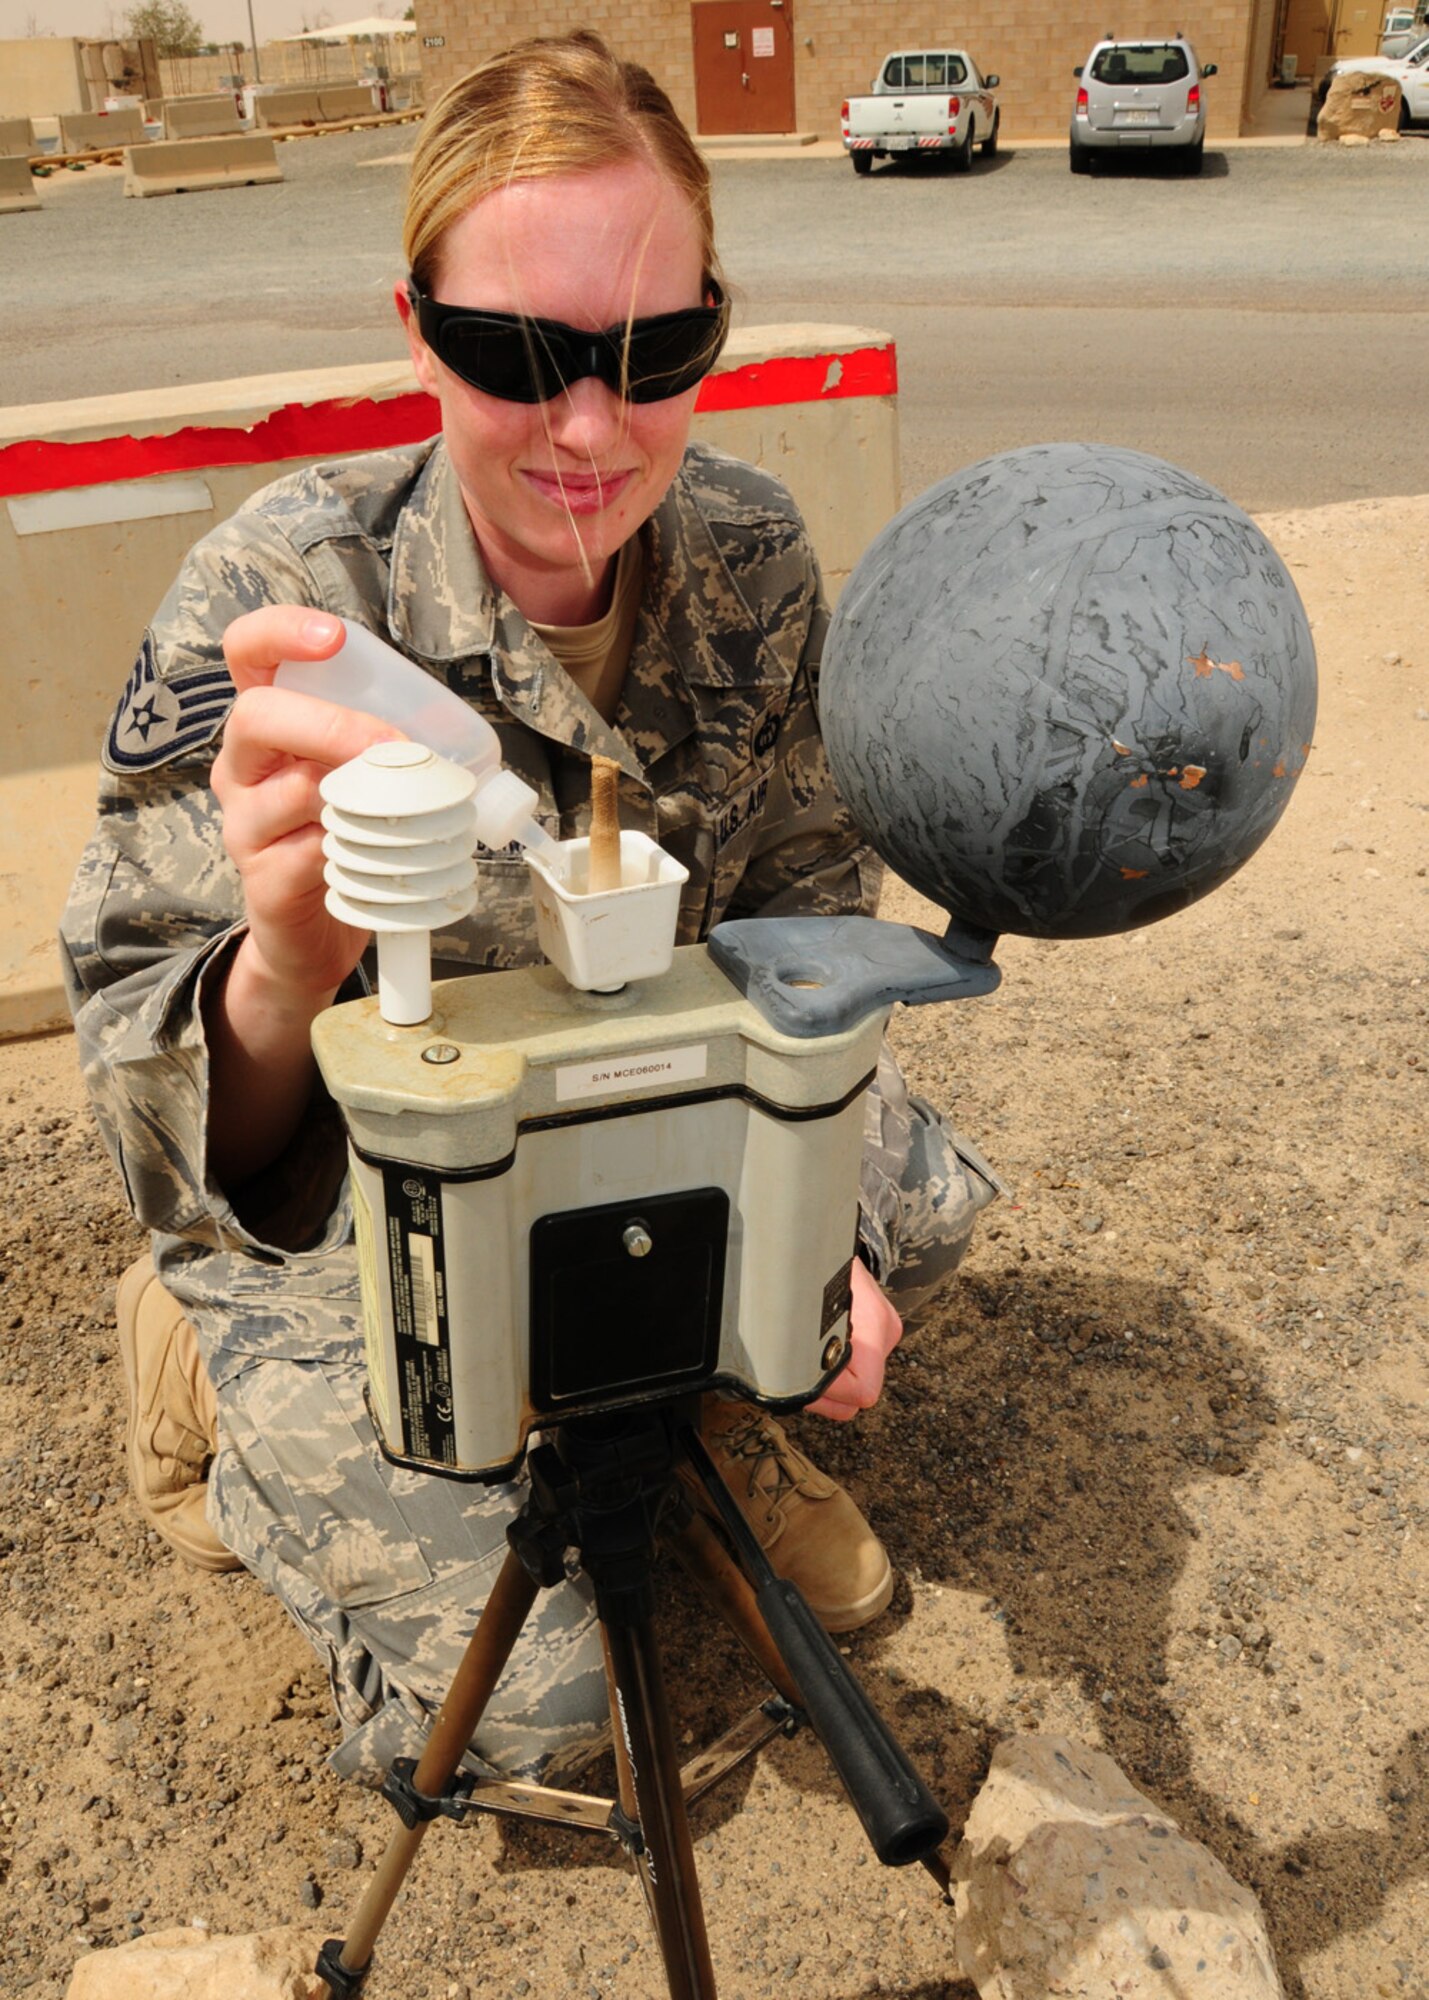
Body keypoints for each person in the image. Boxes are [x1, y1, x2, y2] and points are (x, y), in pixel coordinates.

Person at [60, 31, 1000, 1788]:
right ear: (416, 328)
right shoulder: (284, 595)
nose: (590, 429)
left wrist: (822, 1234)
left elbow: (808, 929)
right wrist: (288, 955)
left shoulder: (751, 555)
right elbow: (175, 1134)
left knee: (918, 1194)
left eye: (660, 355)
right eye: (517, 354)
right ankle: (190, 1371)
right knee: (543, 1719)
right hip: (361, 1205)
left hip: (646, 1131)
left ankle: (666, 1383)